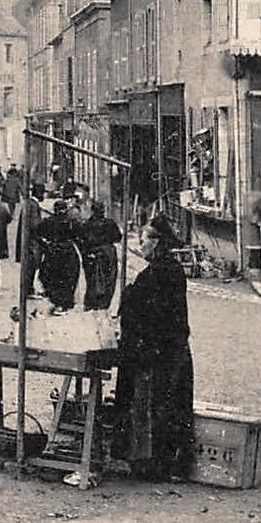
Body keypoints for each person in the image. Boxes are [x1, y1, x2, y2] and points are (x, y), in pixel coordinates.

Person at [112, 215, 194, 482]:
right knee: (169, 407)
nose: (141, 243)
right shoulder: (170, 269)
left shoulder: (157, 273)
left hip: (159, 353)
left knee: (153, 406)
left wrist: (129, 295)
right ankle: (166, 463)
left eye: (145, 238)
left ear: (157, 243)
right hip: (172, 350)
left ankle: (151, 464)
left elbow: (148, 313)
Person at [36, 198, 82, 314]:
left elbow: (37, 234)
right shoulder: (71, 222)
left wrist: (46, 245)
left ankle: (56, 300)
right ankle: (65, 302)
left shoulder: (48, 221)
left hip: (53, 251)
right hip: (67, 251)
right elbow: (79, 236)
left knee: (51, 276)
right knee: (68, 277)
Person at [78, 199, 122, 310]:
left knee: (91, 278)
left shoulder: (87, 224)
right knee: (109, 278)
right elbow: (118, 237)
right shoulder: (110, 223)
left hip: (91, 253)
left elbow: (81, 240)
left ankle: (91, 303)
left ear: (92, 211)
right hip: (108, 253)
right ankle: (104, 303)